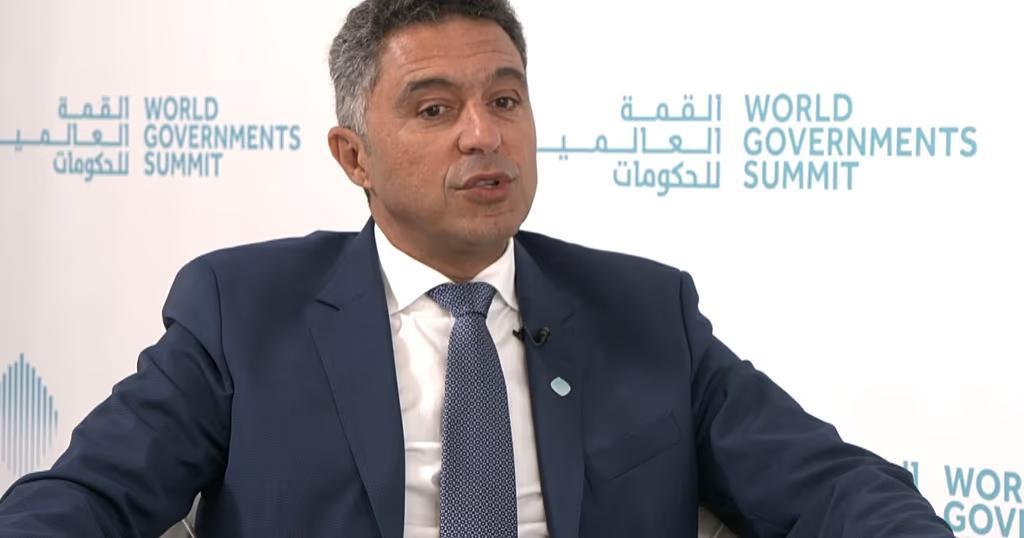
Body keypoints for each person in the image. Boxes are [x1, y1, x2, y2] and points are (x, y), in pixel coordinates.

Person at [0, 1, 955, 536]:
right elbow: (88, 497)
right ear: (354, 156)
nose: (483, 134)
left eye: (505, 99)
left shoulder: (643, 309)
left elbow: (829, 484)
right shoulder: (242, 311)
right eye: (433, 109)